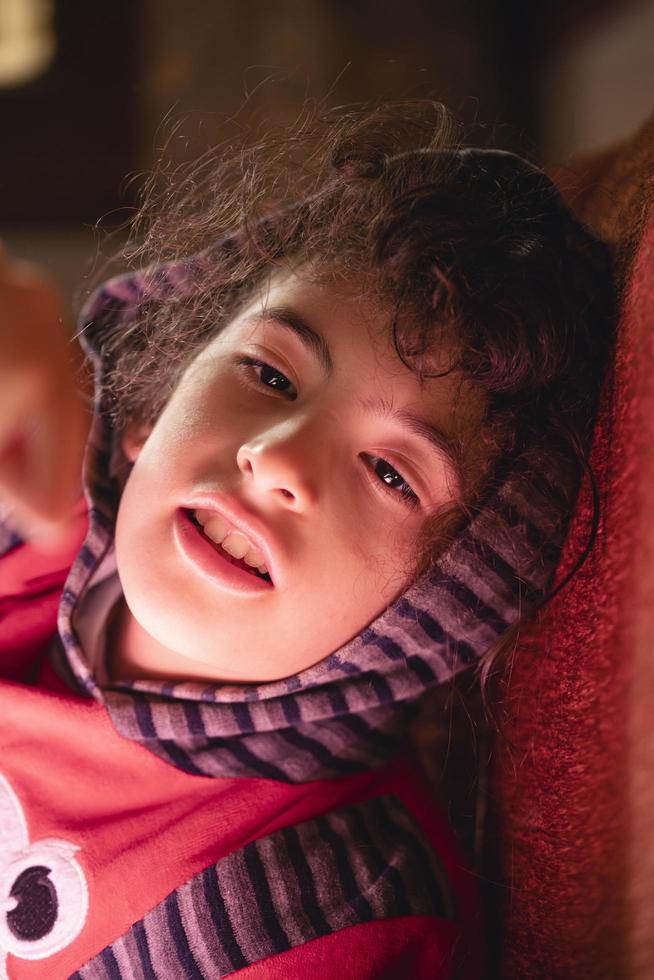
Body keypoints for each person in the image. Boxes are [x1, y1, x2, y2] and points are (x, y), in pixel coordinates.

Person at [0, 102, 613, 978]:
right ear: (152, 404)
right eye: (270, 373)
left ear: (435, 615)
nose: (276, 455)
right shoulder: (23, 511)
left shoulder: (324, 916)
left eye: (391, 473)